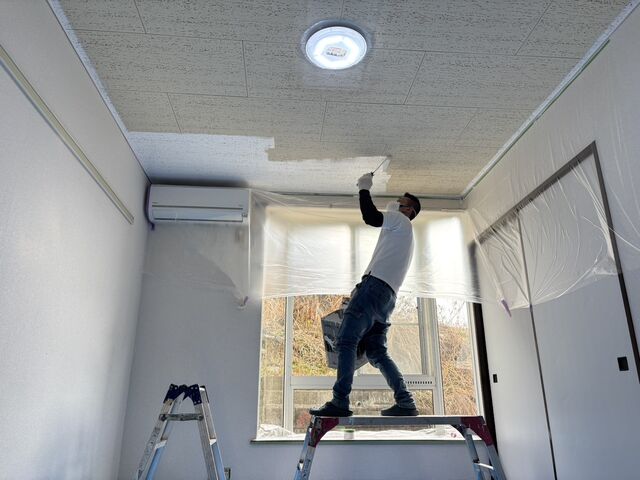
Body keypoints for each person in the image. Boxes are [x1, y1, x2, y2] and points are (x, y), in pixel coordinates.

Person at [310, 172, 421, 417]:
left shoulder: (401, 222)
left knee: (346, 341)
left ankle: (340, 401)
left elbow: (370, 216)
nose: (395, 203)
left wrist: (364, 187)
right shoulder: (401, 234)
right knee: (376, 352)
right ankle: (405, 401)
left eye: (400, 202)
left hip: (374, 289)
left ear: (409, 210)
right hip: (386, 298)